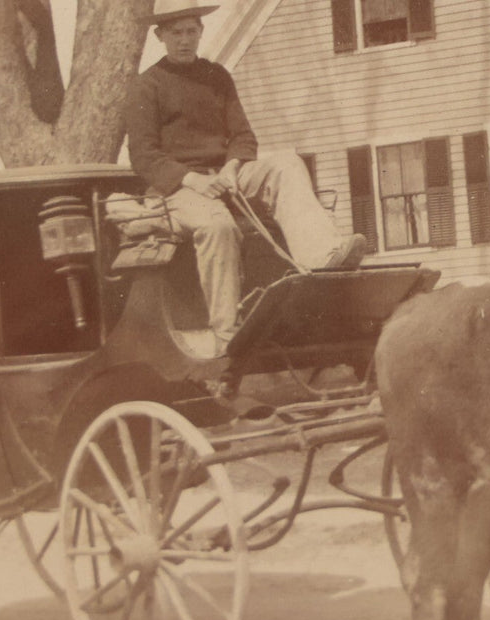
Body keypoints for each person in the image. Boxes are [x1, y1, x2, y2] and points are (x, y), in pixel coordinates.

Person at [124, 0, 366, 358]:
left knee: (285, 163)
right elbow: (144, 156)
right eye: (176, 33)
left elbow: (243, 136)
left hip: (224, 177)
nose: (185, 40)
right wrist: (194, 180)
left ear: (201, 31)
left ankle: (321, 258)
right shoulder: (147, 86)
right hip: (176, 190)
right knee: (218, 227)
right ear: (160, 35)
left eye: (192, 31)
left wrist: (231, 169)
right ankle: (226, 333)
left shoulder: (217, 77)